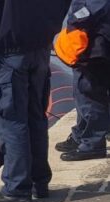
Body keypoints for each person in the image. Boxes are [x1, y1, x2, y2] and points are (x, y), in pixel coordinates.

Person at [0, 0, 72, 202]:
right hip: (40, 50)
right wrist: (48, 31)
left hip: (8, 55)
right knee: (36, 119)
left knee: (11, 121)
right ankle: (38, 183)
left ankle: (16, 188)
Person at [55, 0, 110, 161]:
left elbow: (92, 9)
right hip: (89, 39)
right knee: (82, 90)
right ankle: (80, 135)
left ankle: (92, 143)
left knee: (90, 93)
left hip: (95, 41)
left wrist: (73, 23)